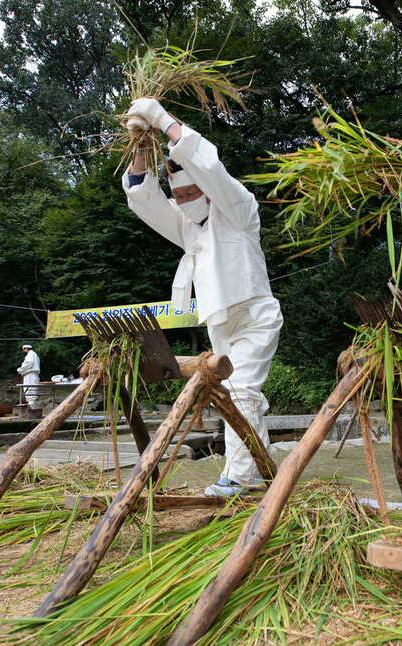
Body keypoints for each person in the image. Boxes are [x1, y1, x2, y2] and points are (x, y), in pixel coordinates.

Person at [122, 97, 283, 498]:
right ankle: (264, 474)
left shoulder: (239, 209)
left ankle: (237, 479)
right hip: (219, 322)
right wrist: (142, 143)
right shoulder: (187, 226)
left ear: (206, 189)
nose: (185, 199)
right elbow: (143, 199)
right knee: (240, 397)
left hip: (254, 316)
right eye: (179, 195)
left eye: (193, 190)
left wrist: (162, 121)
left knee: (241, 391)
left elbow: (211, 168)